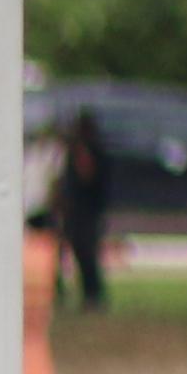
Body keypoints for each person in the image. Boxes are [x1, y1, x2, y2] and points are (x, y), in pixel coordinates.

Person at [52, 108, 119, 316]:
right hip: (76, 211)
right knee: (73, 253)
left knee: (87, 253)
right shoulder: (79, 152)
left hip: (87, 211)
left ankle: (93, 294)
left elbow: (86, 175)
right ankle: (70, 293)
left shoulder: (91, 152)